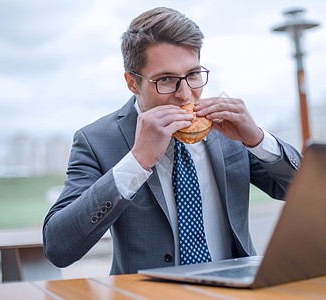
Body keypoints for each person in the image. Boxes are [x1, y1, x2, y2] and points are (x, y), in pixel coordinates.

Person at [43, 7, 302, 275]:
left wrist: (258, 140)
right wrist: (136, 162)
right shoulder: (96, 140)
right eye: (165, 79)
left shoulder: (229, 129)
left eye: (193, 74)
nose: (185, 94)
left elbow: (309, 192)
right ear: (132, 83)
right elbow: (58, 248)